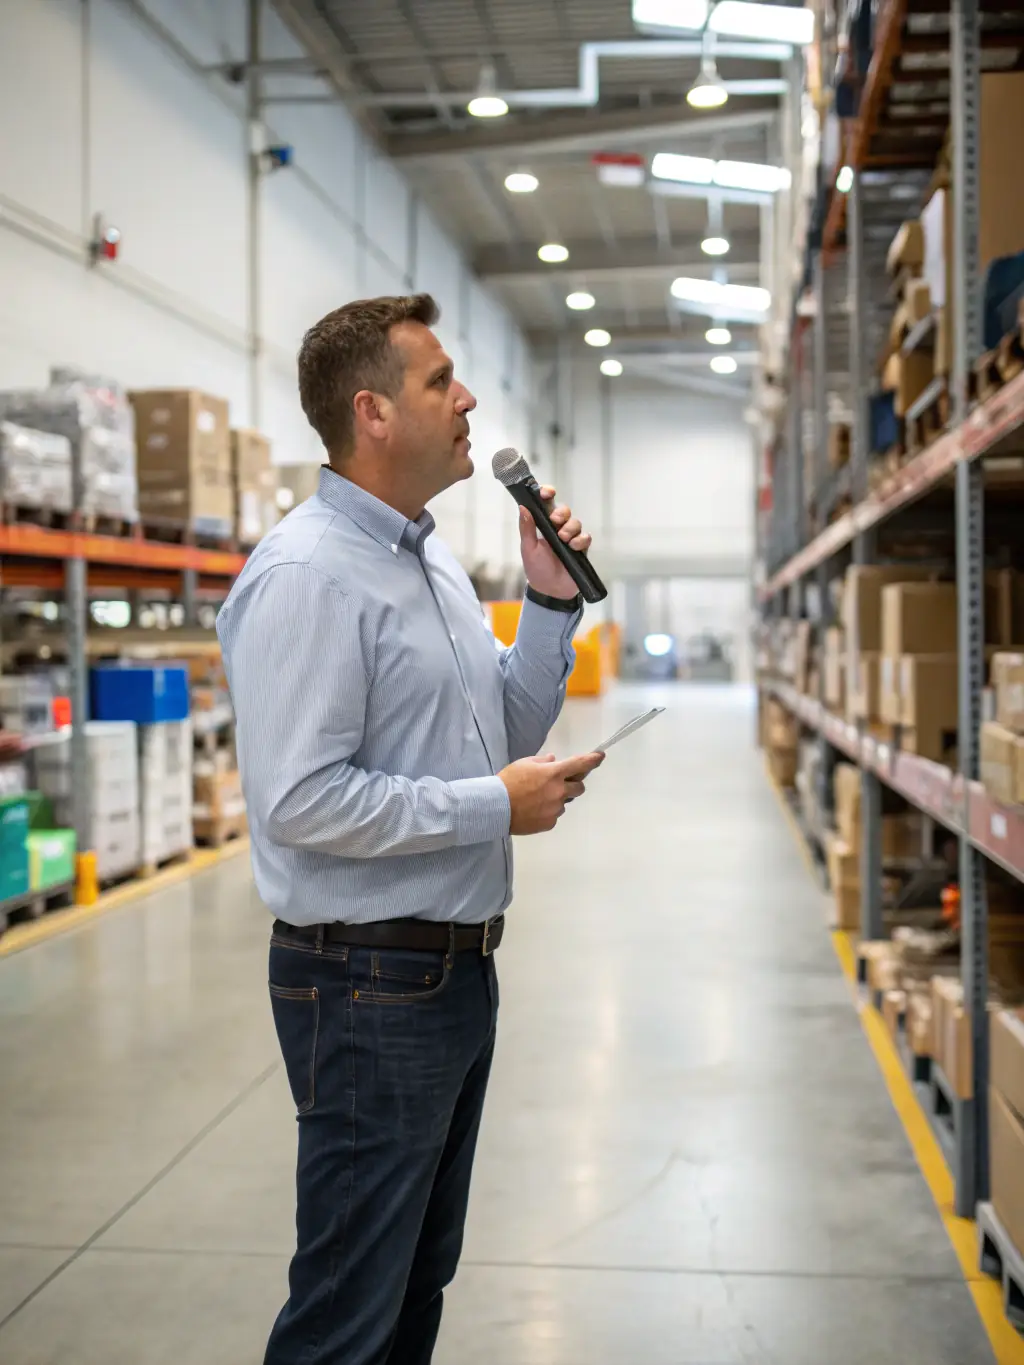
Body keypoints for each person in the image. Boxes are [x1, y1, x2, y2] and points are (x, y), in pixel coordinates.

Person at [216, 293, 604, 1365]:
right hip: (365, 987)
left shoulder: (425, 559)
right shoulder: (305, 576)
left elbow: (503, 731)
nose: (470, 397)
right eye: (442, 380)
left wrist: (546, 602)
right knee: (346, 1308)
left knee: (410, 1286)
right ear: (373, 413)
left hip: (449, 978)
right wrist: (496, 806)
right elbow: (299, 802)